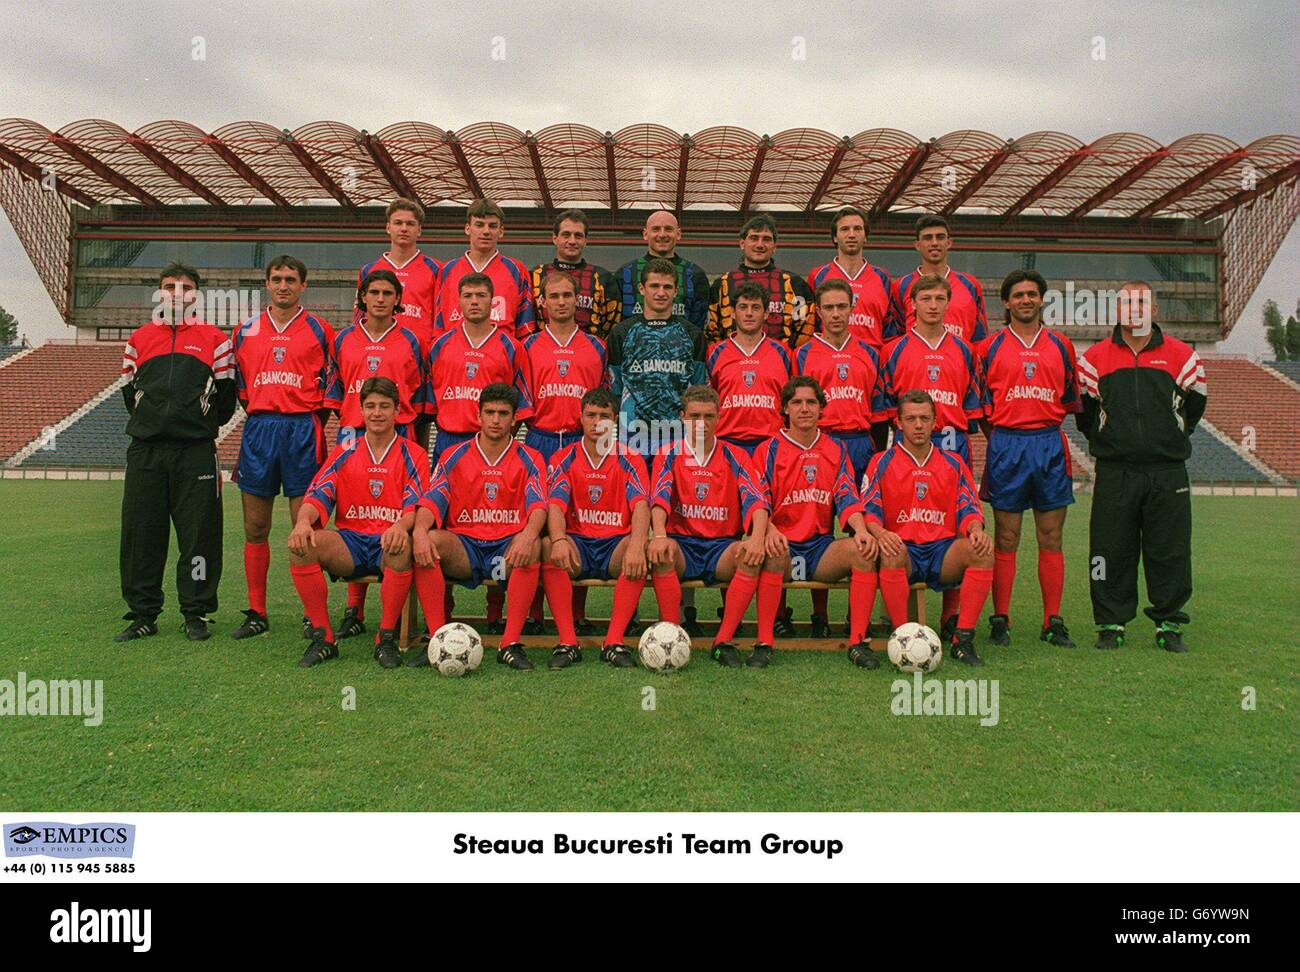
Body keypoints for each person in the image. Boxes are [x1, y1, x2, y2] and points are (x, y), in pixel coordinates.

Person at [1078, 281, 1206, 653]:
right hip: (1115, 472)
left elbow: (1194, 408)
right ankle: (1110, 623)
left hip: (1167, 472)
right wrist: (1113, 442)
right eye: (1127, 302)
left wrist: (1164, 439)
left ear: (1155, 311)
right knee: (1107, 549)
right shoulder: (1093, 359)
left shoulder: (1184, 357)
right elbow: (1085, 415)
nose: (1134, 309)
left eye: (1142, 302)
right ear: (1116, 311)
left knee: (1170, 549)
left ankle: (1168, 623)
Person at [116, 263, 236, 642]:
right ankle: (143, 614)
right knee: (142, 536)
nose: (176, 293)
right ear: (159, 293)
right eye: (169, 286)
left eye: (185, 287)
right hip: (147, 452)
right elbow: (128, 394)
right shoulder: (139, 339)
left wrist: (194, 423)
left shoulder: (216, 340)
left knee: (199, 538)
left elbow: (226, 402)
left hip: (195, 453)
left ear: (195, 295)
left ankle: (195, 612)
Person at [288, 377, 430, 668]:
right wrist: (303, 522)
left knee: (401, 546)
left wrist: (400, 527)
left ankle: (385, 639)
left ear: (397, 411)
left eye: (384, 406)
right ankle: (324, 638)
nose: (377, 413)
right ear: (361, 411)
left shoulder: (413, 453)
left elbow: (414, 505)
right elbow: (318, 494)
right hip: (351, 541)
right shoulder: (345, 450)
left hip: (387, 541)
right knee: (302, 546)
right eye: (370, 406)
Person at [410, 383, 550, 671]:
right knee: (430, 540)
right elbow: (431, 501)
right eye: (490, 412)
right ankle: (438, 639)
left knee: (534, 544)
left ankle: (509, 644)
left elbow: (539, 506)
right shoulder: (454, 455)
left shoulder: (530, 458)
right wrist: (420, 531)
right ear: (479, 415)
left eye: (503, 413)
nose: (496, 420)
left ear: (514, 419)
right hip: (467, 548)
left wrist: (528, 535)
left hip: (505, 552)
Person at [230, 255, 333, 640]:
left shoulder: (321, 331)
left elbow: (328, 389)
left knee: (306, 528)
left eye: (291, 279)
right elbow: (242, 390)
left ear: (303, 285)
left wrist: (304, 420)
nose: (283, 285)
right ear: (267, 284)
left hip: (302, 430)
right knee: (255, 527)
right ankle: (257, 611)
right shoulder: (245, 331)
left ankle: (314, 614)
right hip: (259, 430)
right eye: (277, 279)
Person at [979, 269, 1080, 649]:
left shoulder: (1061, 346)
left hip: (1048, 445)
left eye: (1032, 294)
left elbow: (1070, 400)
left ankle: (1052, 620)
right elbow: (982, 408)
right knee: (1006, 536)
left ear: (1041, 300)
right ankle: (1000, 619)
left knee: (1051, 536)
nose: (1025, 300)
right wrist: (1003, 439)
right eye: (1018, 294)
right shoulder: (988, 348)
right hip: (1007, 444)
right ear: (1006, 302)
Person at [606, 257, 708, 633]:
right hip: (634, 438)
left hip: (677, 441)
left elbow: (697, 389)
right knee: (629, 519)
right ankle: (629, 612)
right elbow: (615, 389)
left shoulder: (693, 334)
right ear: (643, 290)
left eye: (668, 287)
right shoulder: (621, 333)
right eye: (655, 286)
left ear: (675, 291)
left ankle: (684, 611)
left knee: (678, 522)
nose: (661, 292)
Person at [324, 268, 426, 640]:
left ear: (398, 299)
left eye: (388, 293)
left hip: (399, 436)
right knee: (356, 517)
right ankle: (354, 610)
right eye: (374, 292)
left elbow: (421, 396)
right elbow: (335, 394)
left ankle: (394, 618)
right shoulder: (342, 340)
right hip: (354, 436)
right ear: (362, 297)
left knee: (395, 517)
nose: (380, 299)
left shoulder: (412, 341)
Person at [861, 390, 994, 666]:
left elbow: (969, 508)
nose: (918, 425)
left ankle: (962, 639)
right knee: (891, 552)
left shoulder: (953, 463)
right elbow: (869, 512)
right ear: (898, 422)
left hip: (941, 551)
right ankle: (901, 638)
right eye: (911, 419)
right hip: (904, 550)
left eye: (924, 418)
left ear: (935, 421)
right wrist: (883, 534)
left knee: (981, 551)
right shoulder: (881, 461)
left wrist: (976, 529)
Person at [753, 377, 879, 669]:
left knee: (862, 551)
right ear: (785, 408)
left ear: (822, 408)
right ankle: (763, 641)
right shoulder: (768, 450)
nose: (804, 409)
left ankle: (858, 642)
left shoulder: (835, 449)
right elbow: (758, 501)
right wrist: (770, 531)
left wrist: (860, 530)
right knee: (773, 552)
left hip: (819, 549)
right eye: (796, 402)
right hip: (782, 546)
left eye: (811, 402)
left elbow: (848, 497)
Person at [647, 386, 771, 668]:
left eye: (708, 416)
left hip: (721, 547)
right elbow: (660, 498)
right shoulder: (669, 454)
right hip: (682, 545)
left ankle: (722, 641)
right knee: (661, 551)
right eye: (694, 416)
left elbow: (756, 501)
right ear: (682, 417)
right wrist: (659, 535)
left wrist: (756, 537)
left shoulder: (735, 455)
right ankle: (672, 634)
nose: (701, 423)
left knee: (751, 556)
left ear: (719, 419)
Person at [794, 278, 888, 637]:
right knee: (816, 528)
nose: (835, 314)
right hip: (819, 445)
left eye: (842, 307)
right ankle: (818, 616)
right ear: (818, 311)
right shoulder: (803, 353)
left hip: (860, 445)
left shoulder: (869, 352)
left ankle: (855, 617)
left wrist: (874, 455)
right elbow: (796, 405)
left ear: (852, 309)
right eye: (829, 307)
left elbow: (879, 412)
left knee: (857, 531)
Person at [521, 270, 608, 634]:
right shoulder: (527, 346)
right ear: (542, 303)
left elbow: (602, 401)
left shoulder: (597, 346)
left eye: (567, 296)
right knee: (538, 525)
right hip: (539, 439)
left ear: (578, 301)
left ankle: (575, 612)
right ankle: (535, 614)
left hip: (579, 444)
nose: (560, 302)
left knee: (576, 523)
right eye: (553, 296)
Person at [541, 388, 652, 669]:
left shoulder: (630, 458)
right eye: (591, 415)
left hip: (614, 545)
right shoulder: (564, 457)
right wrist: (557, 539)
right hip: (578, 544)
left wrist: (638, 545)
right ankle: (568, 642)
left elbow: (640, 505)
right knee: (546, 547)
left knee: (640, 548)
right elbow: (555, 504)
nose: (597, 422)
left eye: (604, 416)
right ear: (580, 418)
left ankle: (613, 642)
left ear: (615, 420)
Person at [881, 273, 984, 467]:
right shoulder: (892, 351)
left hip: (952, 439)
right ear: (913, 304)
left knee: (955, 497)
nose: (933, 305)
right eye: (926, 299)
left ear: (948, 303)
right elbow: (888, 404)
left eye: (940, 299)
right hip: (908, 441)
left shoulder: (966, 350)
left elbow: (970, 405)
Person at [706, 281, 792, 456]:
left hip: (771, 444)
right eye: (743, 307)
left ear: (766, 313)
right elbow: (706, 402)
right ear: (732, 312)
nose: (749, 313)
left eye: (756, 307)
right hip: (727, 442)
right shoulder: (715, 352)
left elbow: (792, 400)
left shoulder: (783, 353)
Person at [707, 214, 814, 348]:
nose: (760, 244)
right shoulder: (722, 285)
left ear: (775, 246)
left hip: (781, 364)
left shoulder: (795, 284)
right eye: (754, 238)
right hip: (732, 364)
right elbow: (712, 333)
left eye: (766, 239)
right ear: (742, 243)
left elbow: (805, 332)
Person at [435, 198, 534, 339]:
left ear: (501, 231)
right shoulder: (447, 270)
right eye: (479, 225)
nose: (486, 231)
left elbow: (525, 328)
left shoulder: (516, 270)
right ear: (467, 228)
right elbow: (438, 325)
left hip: (500, 354)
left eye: (492, 226)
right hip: (455, 353)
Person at [809, 206, 899, 352]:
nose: (851, 234)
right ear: (834, 237)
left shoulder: (882, 277)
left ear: (865, 236)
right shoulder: (818, 276)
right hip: (828, 356)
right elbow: (812, 324)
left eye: (857, 229)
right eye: (844, 229)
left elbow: (890, 329)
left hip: (871, 359)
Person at [356, 197, 440, 352]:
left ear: (419, 230)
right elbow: (360, 316)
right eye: (398, 223)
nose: (404, 228)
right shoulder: (369, 270)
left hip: (419, 355)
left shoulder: (436, 269)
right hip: (378, 351)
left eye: (410, 224)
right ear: (388, 227)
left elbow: (440, 319)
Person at [890, 215, 987, 344]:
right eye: (928, 238)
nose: (934, 243)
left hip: (960, 362)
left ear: (949, 243)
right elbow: (895, 338)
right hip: (917, 362)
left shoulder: (970, 285)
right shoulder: (901, 286)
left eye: (940, 237)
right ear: (917, 245)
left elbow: (980, 337)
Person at [531, 208, 620, 338]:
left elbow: (611, 325)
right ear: (555, 238)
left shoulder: (603, 278)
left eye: (578, 236)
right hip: (543, 352)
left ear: (585, 240)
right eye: (566, 235)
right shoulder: (535, 276)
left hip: (589, 352)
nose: (572, 241)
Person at [615, 209, 710, 331]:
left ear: (678, 234)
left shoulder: (696, 275)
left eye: (668, 229)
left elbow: (698, 324)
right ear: (645, 234)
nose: (662, 235)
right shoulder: (625, 273)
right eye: (656, 229)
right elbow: (616, 321)